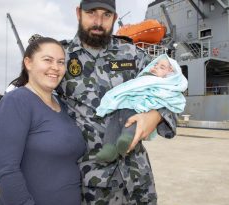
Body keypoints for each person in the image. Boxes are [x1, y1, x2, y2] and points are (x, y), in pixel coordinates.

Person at [59, 0, 177, 204]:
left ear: (114, 18)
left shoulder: (132, 54)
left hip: (138, 181)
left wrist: (155, 115)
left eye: (106, 15)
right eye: (91, 13)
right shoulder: (60, 57)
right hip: (90, 186)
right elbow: (27, 97)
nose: (98, 21)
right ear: (78, 13)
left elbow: (169, 88)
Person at [0, 36, 86, 205]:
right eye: (47, 60)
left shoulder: (62, 105)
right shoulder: (16, 102)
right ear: (28, 63)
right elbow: (5, 172)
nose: (55, 67)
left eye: (61, 62)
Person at [95, 54, 188, 162]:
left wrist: (156, 116)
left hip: (139, 112)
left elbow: (174, 102)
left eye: (162, 67)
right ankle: (109, 148)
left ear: (171, 73)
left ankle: (126, 139)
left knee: (132, 122)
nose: (156, 67)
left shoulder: (168, 85)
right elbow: (133, 85)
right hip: (125, 106)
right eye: (156, 65)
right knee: (114, 124)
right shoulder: (146, 76)